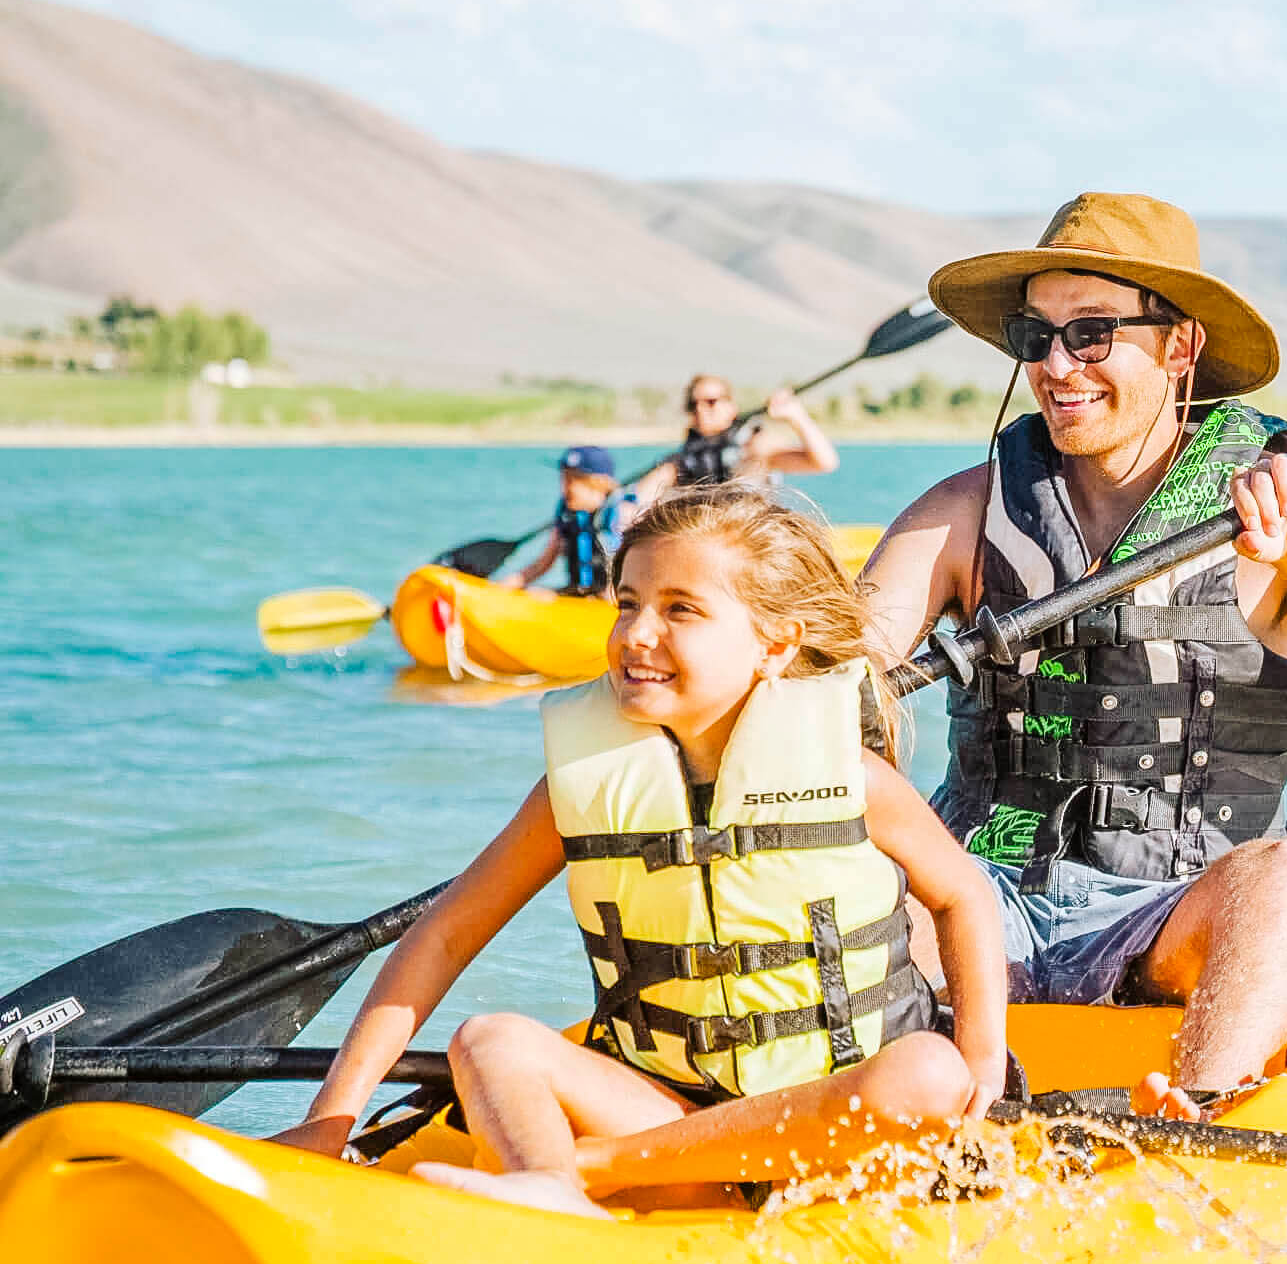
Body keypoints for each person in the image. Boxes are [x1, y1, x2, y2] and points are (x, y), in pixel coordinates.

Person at [861, 192, 1287, 1121]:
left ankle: (1198, 1137)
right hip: (972, 897)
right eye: (1037, 338)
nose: (1057, 367)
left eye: (1093, 334)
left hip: (1170, 913)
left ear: (1181, 347)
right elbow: (840, 661)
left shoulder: (1286, 506)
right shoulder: (966, 509)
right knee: (843, 852)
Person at [273, 485, 1009, 1217]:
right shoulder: (584, 784)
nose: (637, 633)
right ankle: (554, 1184)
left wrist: (983, 1068)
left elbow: (962, 895)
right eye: (627, 602)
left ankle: (587, 1168)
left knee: (927, 1073)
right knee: (490, 1040)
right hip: (672, 1120)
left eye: (680, 608)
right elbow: (445, 933)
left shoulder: (851, 775)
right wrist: (333, 1118)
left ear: (775, 644)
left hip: (834, 1144)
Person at [635, 377, 839, 501]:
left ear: (731, 406)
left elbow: (824, 462)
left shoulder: (755, 448)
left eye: (711, 402)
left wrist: (796, 417)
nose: (701, 409)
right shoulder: (680, 462)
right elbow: (638, 497)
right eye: (693, 404)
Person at [501, 445, 632, 597]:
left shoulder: (622, 514)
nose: (565, 488)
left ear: (598, 484)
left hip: (611, 599)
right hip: (579, 595)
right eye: (563, 479)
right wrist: (504, 586)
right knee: (534, 594)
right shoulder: (567, 514)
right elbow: (541, 565)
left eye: (573, 480)